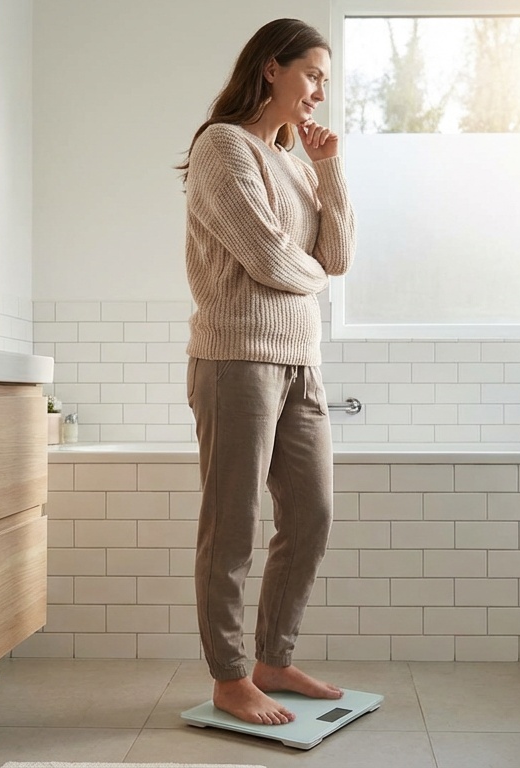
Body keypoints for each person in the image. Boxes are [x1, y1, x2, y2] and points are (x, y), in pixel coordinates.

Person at [177, 18, 356, 726]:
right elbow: (270, 258)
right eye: (312, 74)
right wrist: (311, 276)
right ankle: (228, 676)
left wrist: (329, 168)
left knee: (312, 514)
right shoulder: (224, 146)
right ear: (271, 68)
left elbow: (336, 258)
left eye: (324, 80)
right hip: (236, 358)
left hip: (301, 362)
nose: (319, 92)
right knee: (232, 525)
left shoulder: (295, 163)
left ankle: (273, 660)